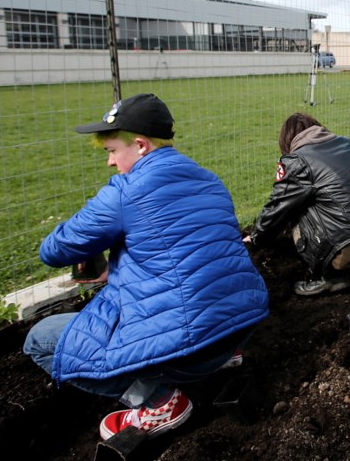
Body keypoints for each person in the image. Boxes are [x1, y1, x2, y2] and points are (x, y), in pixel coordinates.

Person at [23, 93, 270, 441]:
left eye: (112, 150)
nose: (110, 162)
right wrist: (117, 269)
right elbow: (182, 252)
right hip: (236, 329)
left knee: (41, 339)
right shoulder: (209, 179)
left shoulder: (126, 191)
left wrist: (99, 248)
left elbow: (54, 250)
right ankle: (223, 359)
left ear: (140, 145)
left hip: (194, 346)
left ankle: (159, 402)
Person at [246, 113, 350, 295]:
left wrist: (256, 236)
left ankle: (330, 276)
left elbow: (278, 207)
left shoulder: (297, 161)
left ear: (287, 140)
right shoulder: (346, 143)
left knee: (297, 211)